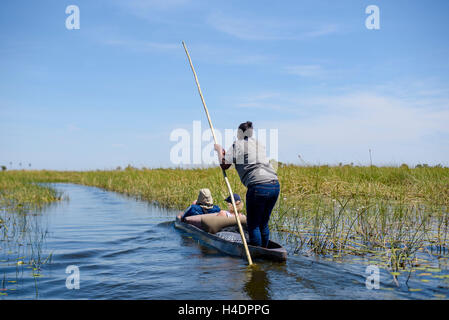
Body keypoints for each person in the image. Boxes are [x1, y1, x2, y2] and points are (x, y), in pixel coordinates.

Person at [214, 121, 280, 248]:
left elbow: (224, 165)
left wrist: (218, 151)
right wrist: (225, 154)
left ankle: (256, 254)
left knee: (253, 224)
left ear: (239, 133)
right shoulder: (259, 144)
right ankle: (265, 252)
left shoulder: (237, 144)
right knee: (263, 223)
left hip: (258, 186)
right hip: (274, 184)